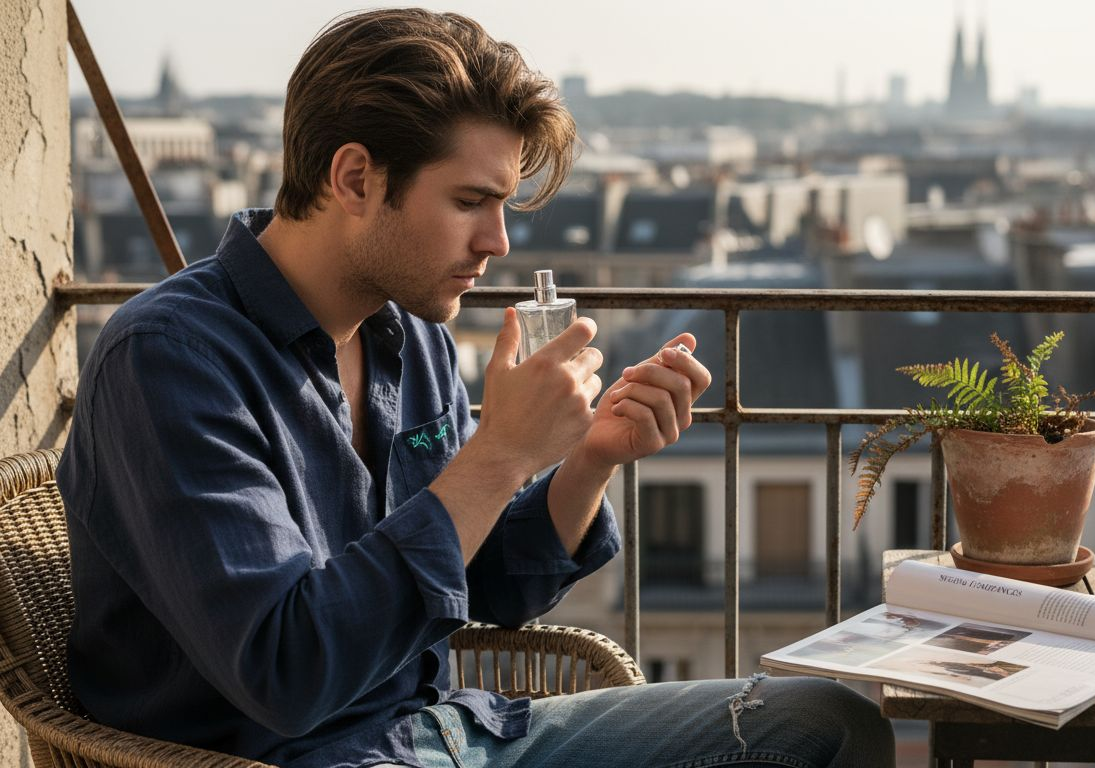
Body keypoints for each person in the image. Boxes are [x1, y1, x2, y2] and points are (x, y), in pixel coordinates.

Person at [56, 9, 895, 768]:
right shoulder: (169, 358)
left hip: (457, 733)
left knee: (828, 723)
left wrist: (587, 460)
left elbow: (476, 581)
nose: (496, 240)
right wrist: (498, 456)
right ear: (354, 179)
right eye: (470, 201)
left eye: (504, 205)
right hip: (299, 755)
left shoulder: (411, 333)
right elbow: (287, 672)